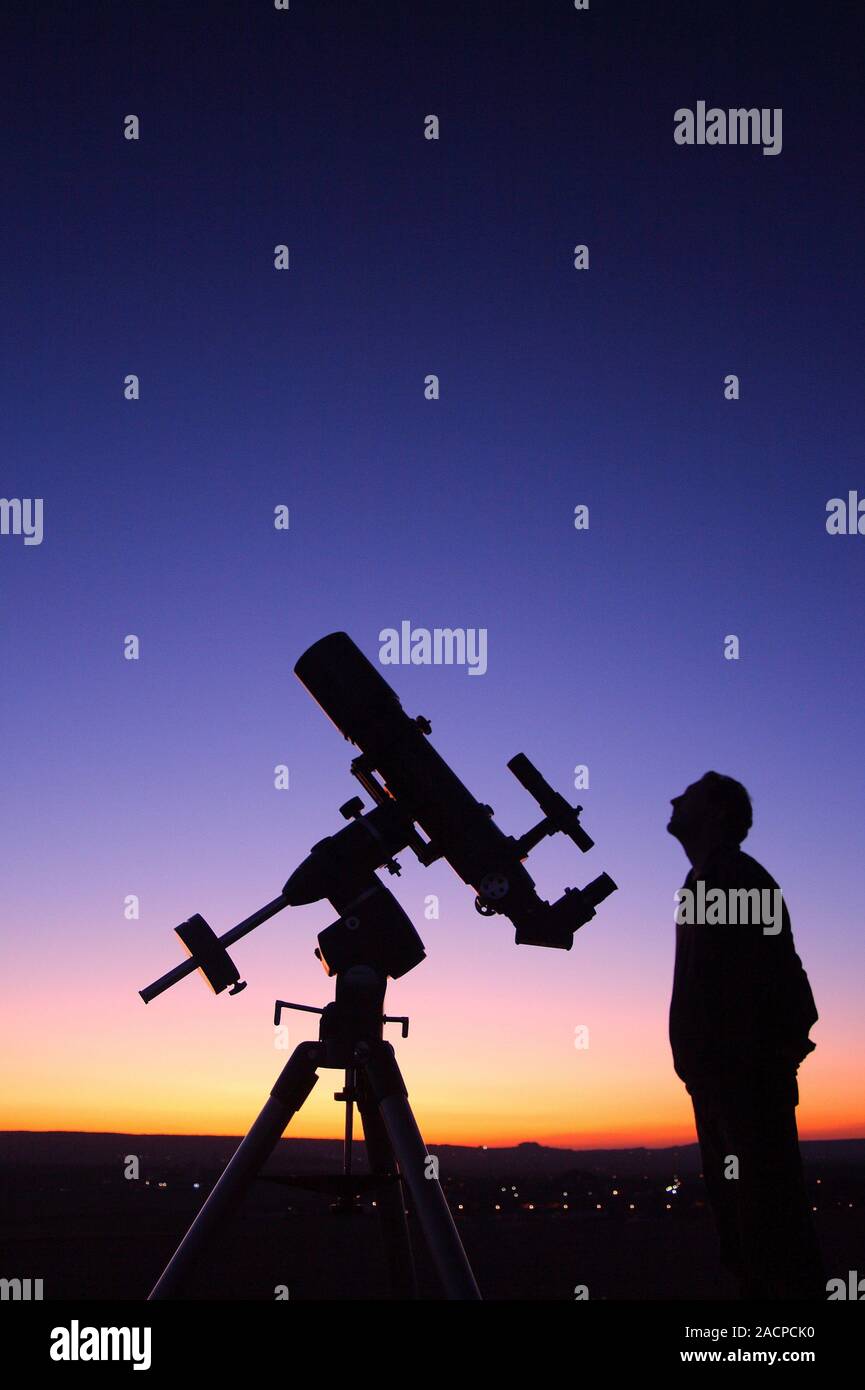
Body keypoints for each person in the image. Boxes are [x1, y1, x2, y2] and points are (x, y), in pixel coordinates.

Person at [667, 771, 824, 1299]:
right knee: (744, 1228)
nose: (673, 799)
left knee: (768, 1228)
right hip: (719, 1083)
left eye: (687, 796)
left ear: (715, 813)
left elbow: (784, 979)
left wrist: (766, 1059)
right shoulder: (705, 881)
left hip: (744, 1084)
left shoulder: (734, 878)